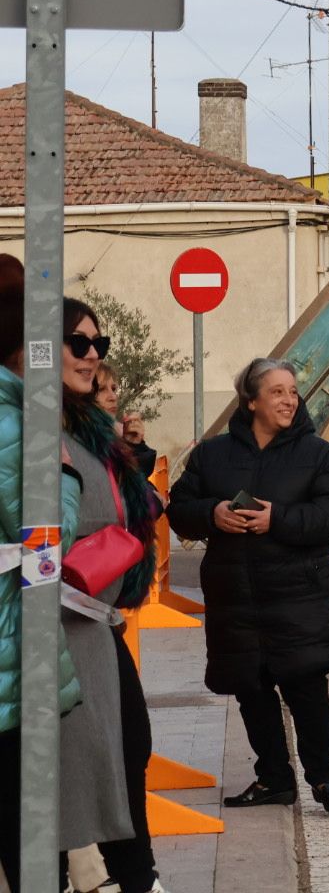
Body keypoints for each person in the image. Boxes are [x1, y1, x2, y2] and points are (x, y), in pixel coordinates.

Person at [169, 357, 329, 815]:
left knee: (306, 684)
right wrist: (212, 513)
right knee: (251, 688)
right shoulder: (212, 455)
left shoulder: (318, 454)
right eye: (277, 392)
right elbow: (179, 507)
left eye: (292, 391)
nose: (289, 399)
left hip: (297, 593)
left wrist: (279, 518)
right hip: (236, 594)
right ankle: (273, 778)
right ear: (251, 400)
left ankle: (323, 778)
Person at [56, 301, 163, 893]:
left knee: (127, 747)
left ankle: (135, 876)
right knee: (66, 768)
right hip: (55, 620)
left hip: (94, 619)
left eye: (99, 342)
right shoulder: (43, 428)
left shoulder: (88, 429)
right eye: (78, 341)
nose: (93, 353)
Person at [0, 258, 89, 892]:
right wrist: (62, 474)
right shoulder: (14, 426)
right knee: (29, 839)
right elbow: (42, 550)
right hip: (12, 660)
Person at [93, 363, 158, 477]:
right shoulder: (78, 441)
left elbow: (132, 481)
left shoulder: (115, 436)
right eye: (101, 389)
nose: (113, 397)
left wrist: (133, 446)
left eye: (113, 389)